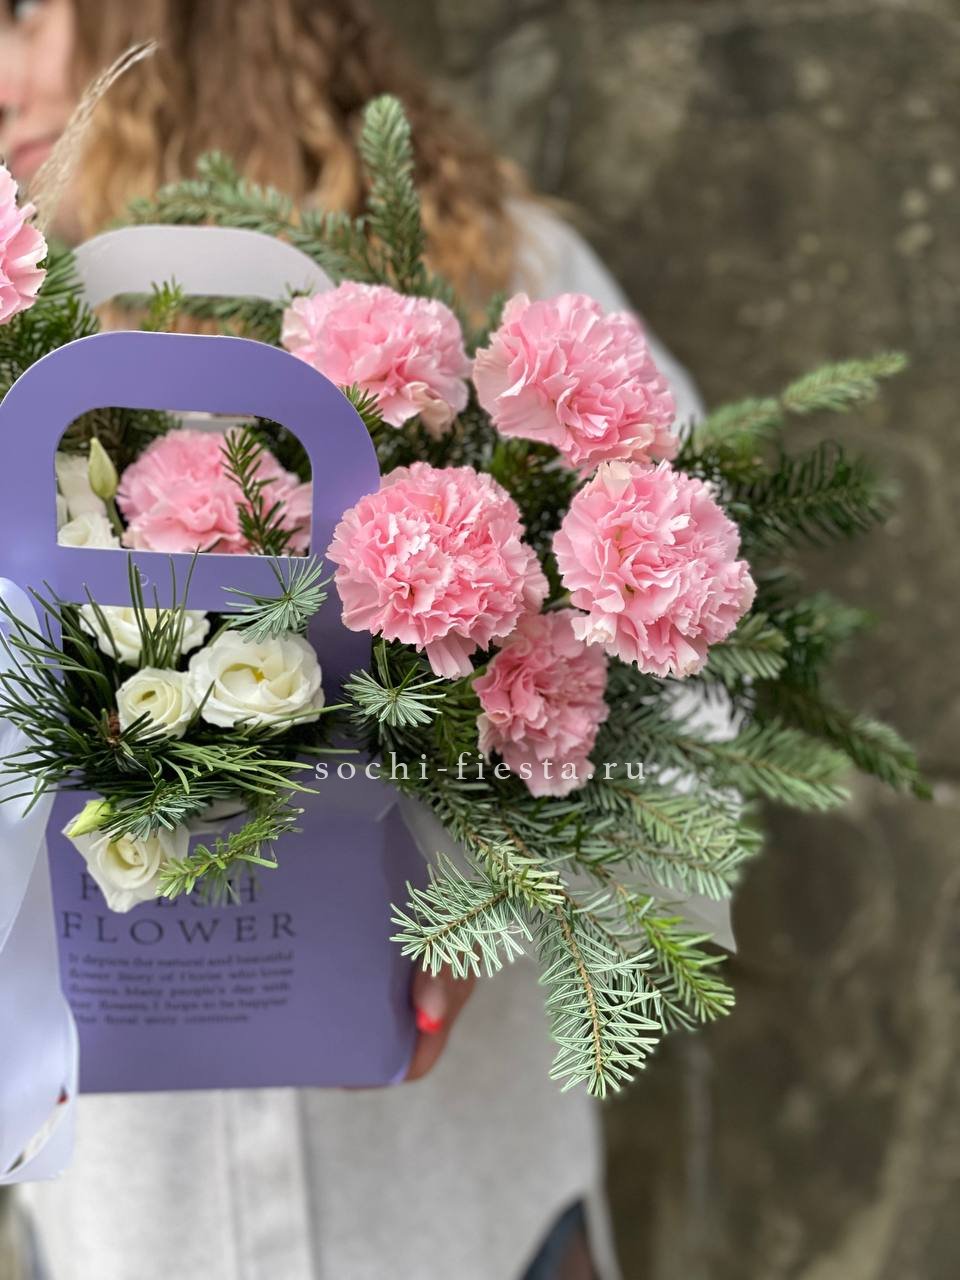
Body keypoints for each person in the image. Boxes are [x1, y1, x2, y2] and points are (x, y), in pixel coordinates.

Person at [0, 3, 701, 1278]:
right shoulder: (24, 327)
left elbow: (703, 695)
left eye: (33, 10)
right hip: (129, 1227)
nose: (8, 74)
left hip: (456, 1216)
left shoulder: (504, 285)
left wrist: (495, 895)